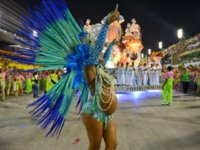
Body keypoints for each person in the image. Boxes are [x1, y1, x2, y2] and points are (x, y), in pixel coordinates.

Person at [1, 1, 120, 149]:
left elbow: (105, 54)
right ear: (90, 49)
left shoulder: (99, 66)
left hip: (106, 112)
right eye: (94, 45)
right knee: (95, 146)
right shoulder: (89, 66)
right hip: (94, 110)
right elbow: (98, 50)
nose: (99, 51)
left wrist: (113, 42)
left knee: (112, 144)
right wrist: (107, 24)